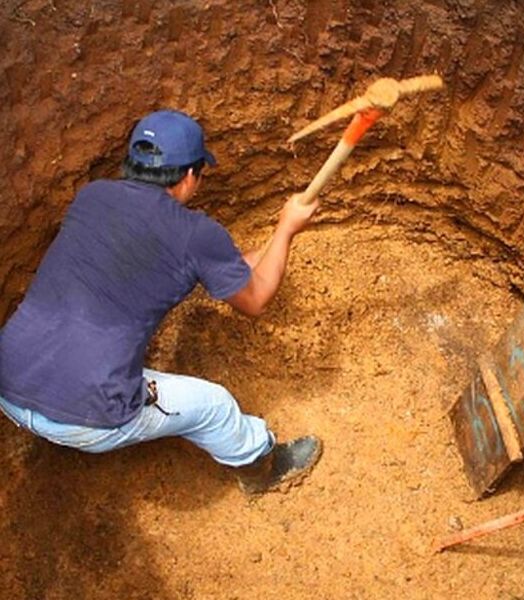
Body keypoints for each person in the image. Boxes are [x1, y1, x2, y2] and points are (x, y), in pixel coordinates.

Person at [0, 109, 322, 494]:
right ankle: (263, 466)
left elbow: (229, 269)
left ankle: (57, 421)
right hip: (87, 415)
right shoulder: (196, 234)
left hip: (9, 381)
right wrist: (287, 229)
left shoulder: (93, 197)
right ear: (189, 175)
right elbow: (255, 299)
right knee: (214, 406)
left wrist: (268, 243)